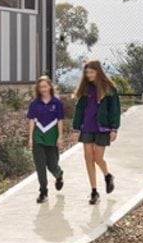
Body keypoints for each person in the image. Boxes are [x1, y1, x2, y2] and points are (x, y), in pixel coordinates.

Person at [71, 61, 120, 205]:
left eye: (91, 72)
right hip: (87, 127)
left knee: (98, 158)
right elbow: (79, 109)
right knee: (88, 157)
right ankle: (94, 191)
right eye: (87, 73)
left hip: (102, 128)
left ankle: (107, 176)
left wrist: (114, 128)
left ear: (98, 72)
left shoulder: (109, 89)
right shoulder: (85, 89)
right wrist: (76, 127)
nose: (89, 75)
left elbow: (115, 110)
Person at [25, 75, 66, 203]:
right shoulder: (34, 104)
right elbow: (31, 120)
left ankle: (58, 175)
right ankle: (43, 191)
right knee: (40, 165)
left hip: (52, 137)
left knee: (52, 164)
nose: (43, 89)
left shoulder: (57, 103)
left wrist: (60, 137)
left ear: (50, 86)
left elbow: (60, 120)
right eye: (40, 87)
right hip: (38, 137)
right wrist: (31, 137)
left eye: (45, 86)